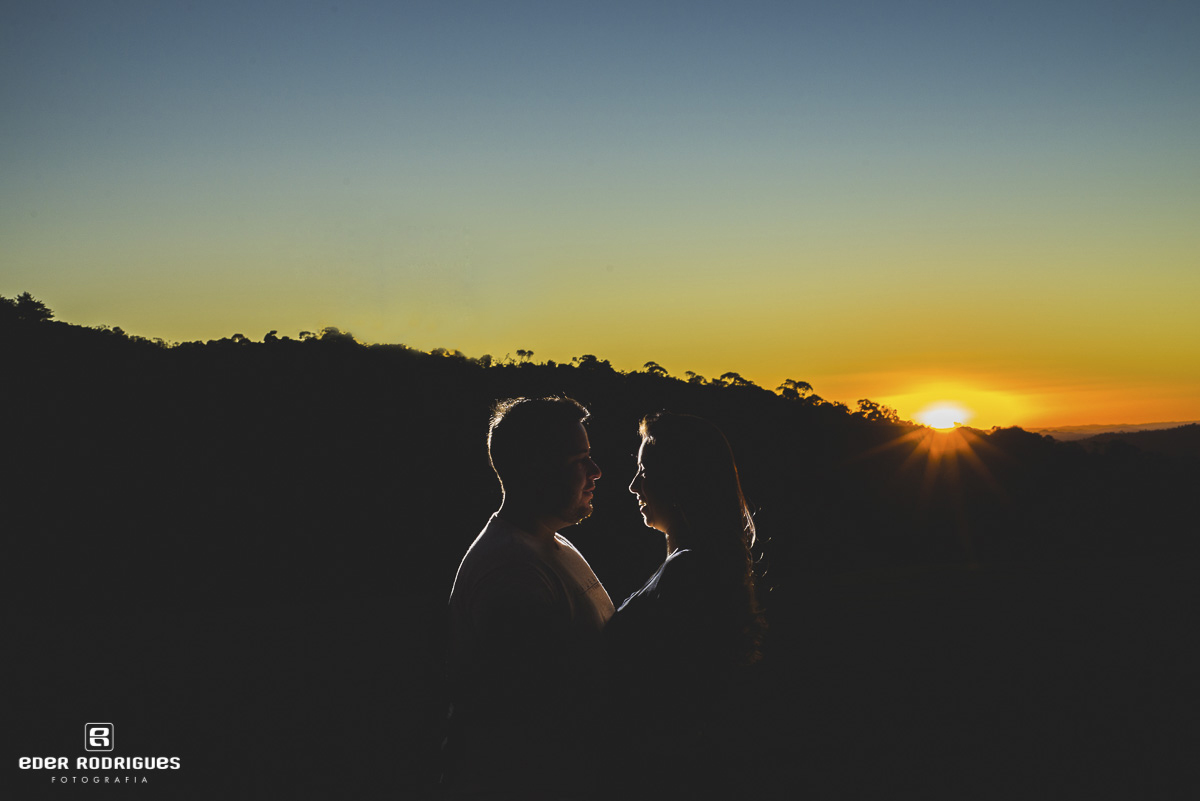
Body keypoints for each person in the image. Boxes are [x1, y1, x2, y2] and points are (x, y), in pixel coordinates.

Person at [444, 396, 615, 800]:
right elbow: (536, 721)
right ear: (534, 469)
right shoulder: (512, 572)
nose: (596, 471)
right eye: (579, 460)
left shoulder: (548, 542)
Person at [602, 411, 765, 798]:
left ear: (680, 479)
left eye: (644, 471)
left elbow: (669, 702)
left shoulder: (689, 573)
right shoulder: (697, 564)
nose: (633, 485)